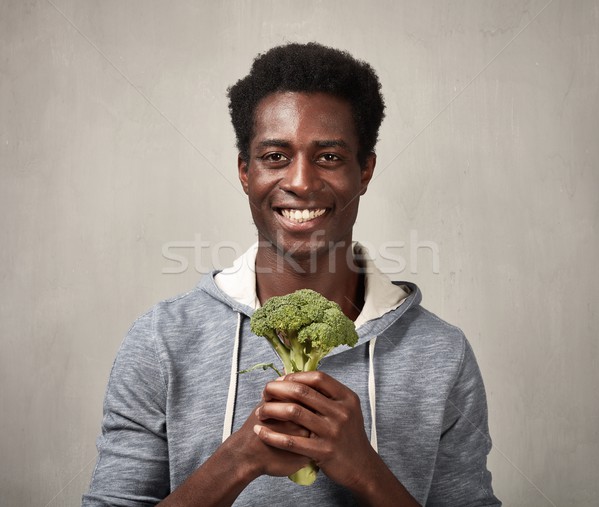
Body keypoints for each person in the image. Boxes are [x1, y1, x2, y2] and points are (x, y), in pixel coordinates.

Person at [83, 42, 500, 506]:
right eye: (275, 156)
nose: (300, 182)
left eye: (329, 157)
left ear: (365, 171)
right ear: (246, 172)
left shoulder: (441, 352)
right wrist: (238, 460)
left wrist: (366, 472)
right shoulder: (161, 341)